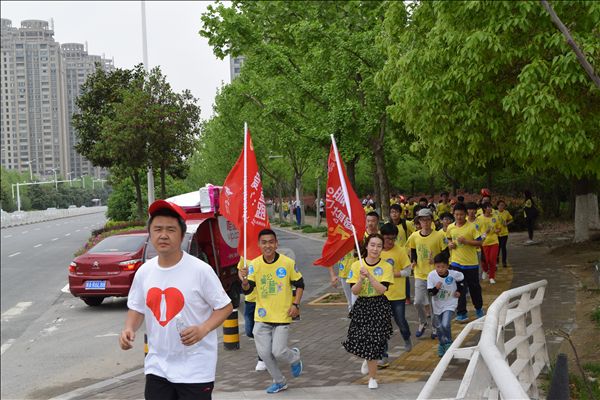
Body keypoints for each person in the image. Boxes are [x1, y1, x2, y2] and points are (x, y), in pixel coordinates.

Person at [120, 200, 232, 400]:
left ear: (182, 235)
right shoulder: (144, 272)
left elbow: (224, 307)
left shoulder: (200, 270)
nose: (163, 235)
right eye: (158, 229)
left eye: (170, 229)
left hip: (196, 368)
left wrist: (203, 329)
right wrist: (129, 328)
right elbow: (137, 308)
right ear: (150, 234)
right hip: (157, 367)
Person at [240, 229, 304, 394]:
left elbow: (300, 284)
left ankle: (295, 357)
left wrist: (295, 305)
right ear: (259, 245)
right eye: (264, 242)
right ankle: (279, 381)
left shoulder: (287, 263)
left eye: (271, 242)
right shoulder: (254, 265)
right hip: (262, 316)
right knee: (264, 353)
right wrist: (245, 279)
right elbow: (248, 291)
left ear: (276, 244)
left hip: (283, 315)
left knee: (279, 351)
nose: (267, 245)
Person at [342, 234, 394, 390]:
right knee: (357, 339)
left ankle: (372, 378)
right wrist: (360, 279)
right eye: (372, 245)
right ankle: (368, 358)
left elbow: (382, 289)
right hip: (362, 305)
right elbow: (355, 291)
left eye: (379, 246)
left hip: (379, 306)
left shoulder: (386, 267)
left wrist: (370, 277)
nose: (375, 249)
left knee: (375, 342)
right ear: (366, 246)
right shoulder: (357, 265)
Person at [406, 208, 449, 340]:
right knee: (418, 302)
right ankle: (423, 322)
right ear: (419, 221)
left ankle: (435, 327)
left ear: (432, 220)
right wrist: (413, 261)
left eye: (428, 219)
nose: (425, 222)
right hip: (419, 274)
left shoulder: (440, 235)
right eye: (422, 219)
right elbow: (412, 250)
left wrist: (435, 259)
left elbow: (446, 254)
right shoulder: (414, 236)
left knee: (434, 302)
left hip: (434, 275)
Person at [379, 223, 413, 369]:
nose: (390, 242)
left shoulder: (399, 251)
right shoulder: (376, 250)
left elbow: (408, 271)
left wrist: (394, 274)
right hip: (380, 294)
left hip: (398, 295)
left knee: (400, 321)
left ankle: (406, 337)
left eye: (393, 239)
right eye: (387, 238)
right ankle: (383, 356)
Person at [446, 203, 484, 323]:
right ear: (454, 215)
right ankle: (462, 313)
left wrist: (466, 241)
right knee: (459, 288)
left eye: (461, 214)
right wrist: (450, 244)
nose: (459, 217)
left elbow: (480, 242)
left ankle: (478, 308)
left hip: (471, 264)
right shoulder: (450, 227)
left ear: (465, 215)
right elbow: (449, 239)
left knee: (474, 288)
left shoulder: (472, 227)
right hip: (456, 263)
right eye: (456, 214)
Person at [427, 253, 464, 357]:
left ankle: (448, 342)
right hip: (437, 305)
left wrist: (459, 291)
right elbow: (430, 293)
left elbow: (461, 280)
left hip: (450, 303)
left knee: (445, 324)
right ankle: (442, 344)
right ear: (435, 266)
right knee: (439, 327)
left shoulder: (453, 274)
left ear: (447, 266)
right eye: (438, 266)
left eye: (443, 267)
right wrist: (436, 288)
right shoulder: (431, 275)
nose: (440, 269)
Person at [237, 257, 266, 371]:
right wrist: (244, 277)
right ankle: (268, 345)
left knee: (260, 332)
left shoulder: (266, 257)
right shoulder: (245, 255)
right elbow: (240, 270)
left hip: (263, 301)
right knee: (250, 331)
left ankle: (262, 359)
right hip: (250, 300)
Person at [478, 202, 502, 284]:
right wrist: (485, 233)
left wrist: (497, 230)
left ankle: (491, 277)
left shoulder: (495, 217)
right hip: (484, 242)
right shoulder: (479, 219)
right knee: (485, 260)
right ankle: (485, 270)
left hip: (494, 241)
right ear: (484, 209)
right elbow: (476, 231)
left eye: (491, 206)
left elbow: (499, 228)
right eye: (488, 207)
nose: (490, 208)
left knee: (492, 260)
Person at [496, 200, 513, 268]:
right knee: (497, 248)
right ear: (497, 206)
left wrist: (507, 223)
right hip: (496, 234)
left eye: (503, 205)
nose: (501, 206)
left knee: (503, 247)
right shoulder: (494, 212)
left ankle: (504, 262)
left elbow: (511, 219)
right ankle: (496, 262)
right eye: (500, 205)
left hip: (504, 233)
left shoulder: (506, 212)